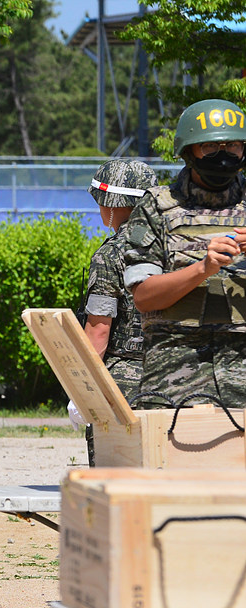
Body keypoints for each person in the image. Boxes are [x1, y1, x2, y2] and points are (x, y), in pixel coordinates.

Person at [124, 98, 246, 407]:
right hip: (175, 371)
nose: (223, 155)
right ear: (188, 151)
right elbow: (144, 297)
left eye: (233, 145)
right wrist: (203, 268)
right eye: (209, 147)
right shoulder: (158, 206)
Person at [68, 158, 157, 465]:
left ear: (111, 204)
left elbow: (99, 330)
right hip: (174, 372)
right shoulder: (174, 243)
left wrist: (83, 391)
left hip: (124, 381)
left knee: (114, 477)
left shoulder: (111, 253)